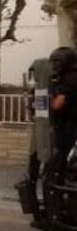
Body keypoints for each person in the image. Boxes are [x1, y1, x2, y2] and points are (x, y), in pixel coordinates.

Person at [49, 47, 77, 175]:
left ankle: (59, 178)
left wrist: (48, 95)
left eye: (57, 62)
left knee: (62, 152)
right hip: (68, 121)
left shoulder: (70, 78)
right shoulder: (68, 76)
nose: (55, 65)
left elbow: (57, 105)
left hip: (69, 123)